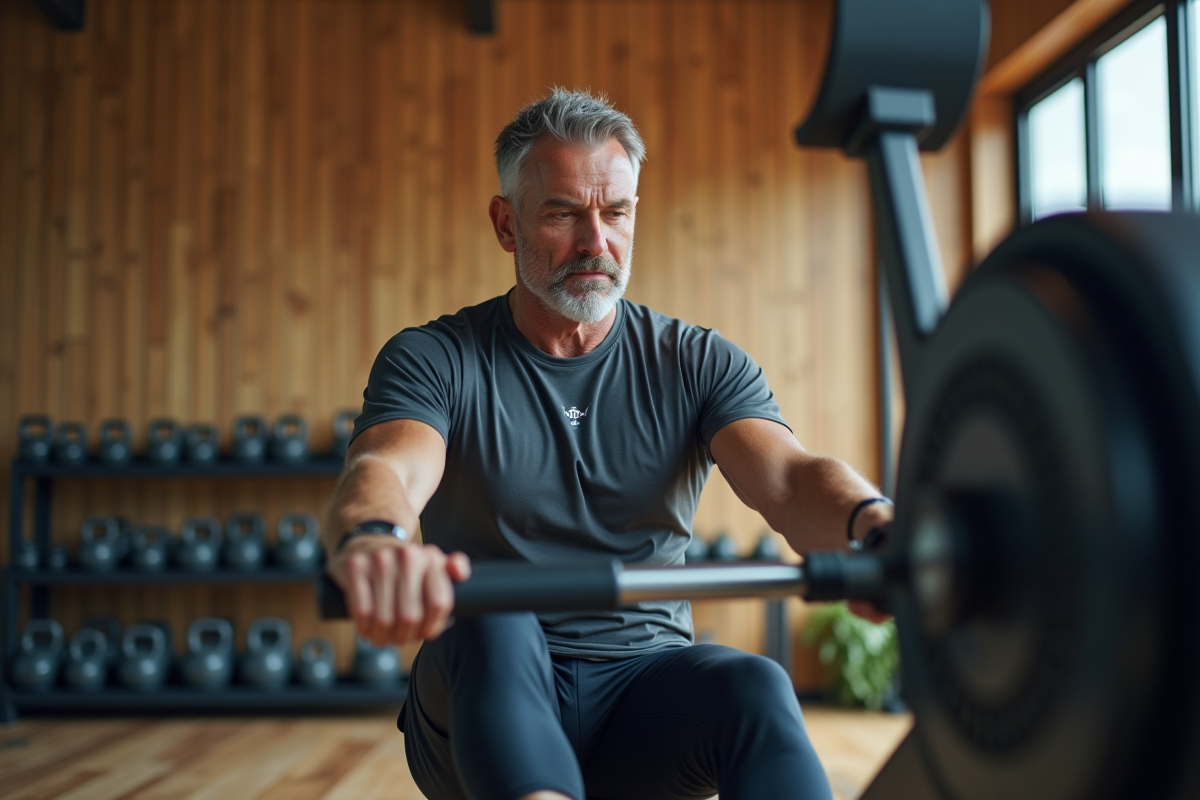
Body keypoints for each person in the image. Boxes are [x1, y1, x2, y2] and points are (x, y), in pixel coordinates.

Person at [324, 88, 894, 800]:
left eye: (616, 213)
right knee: (489, 618)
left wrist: (873, 525)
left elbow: (791, 481)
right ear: (507, 224)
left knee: (754, 685)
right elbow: (387, 468)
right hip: (484, 697)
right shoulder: (437, 358)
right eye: (563, 214)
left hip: (642, 699)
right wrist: (374, 539)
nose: (596, 242)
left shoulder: (696, 361)